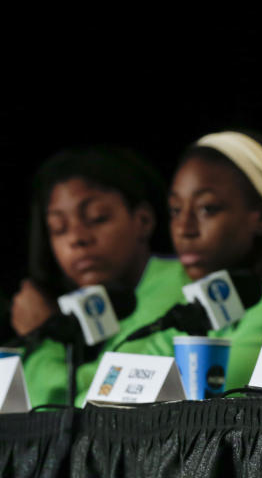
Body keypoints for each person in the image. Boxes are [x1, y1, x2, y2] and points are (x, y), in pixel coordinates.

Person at [76, 130, 262, 398]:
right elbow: (97, 396)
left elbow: (213, 390)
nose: (184, 229)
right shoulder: (211, 294)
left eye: (207, 208)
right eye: (176, 210)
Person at [13, 147, 187, 406]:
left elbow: (77, 403)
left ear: (144, 220)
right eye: (59, 229)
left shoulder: (178, 284)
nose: (77, 238)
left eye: (97, 218)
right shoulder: (92, 301)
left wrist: (43, 338)